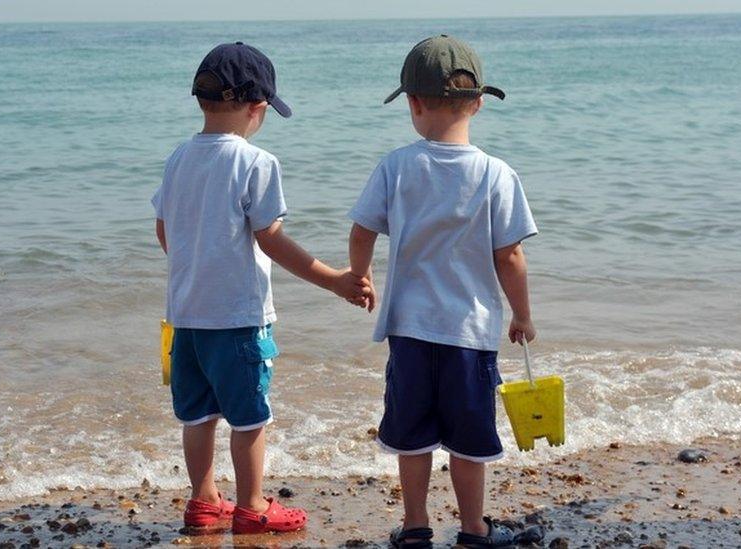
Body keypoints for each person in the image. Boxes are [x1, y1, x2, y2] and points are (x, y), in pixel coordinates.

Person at [152, 42, 372, 535]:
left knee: (198, 416)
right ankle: (252, 505)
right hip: (238, 318)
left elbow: (165, 232)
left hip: (185, 317)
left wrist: (198, 266)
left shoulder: (178, 158)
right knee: (250, 417)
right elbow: (270, 239)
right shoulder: (256, 162)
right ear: (257, 107)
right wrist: (335, 280)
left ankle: (204, 501)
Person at [347, 35, 538, 548]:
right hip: (470, 335)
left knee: (412, 438)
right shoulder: (497, 174)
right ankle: (474, 530)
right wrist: (522, 314)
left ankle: (414, 528)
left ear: (412, 103)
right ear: (478, 102)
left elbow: (363, 229)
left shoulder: (396, 166)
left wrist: (358, 276)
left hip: (409, 330)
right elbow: (510, 256)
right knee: (468, 441)